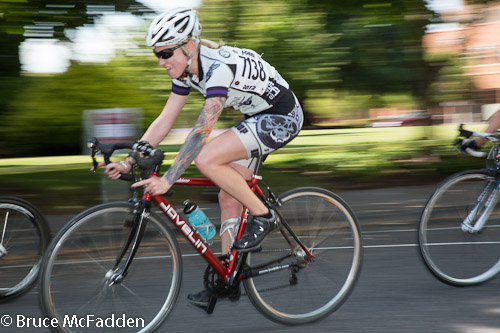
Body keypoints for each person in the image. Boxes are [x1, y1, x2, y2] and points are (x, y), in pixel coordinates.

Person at [104, 7, 304, 308]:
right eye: (156, 55)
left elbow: (201, 132)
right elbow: (164, 120)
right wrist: (129, 161)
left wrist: (169, 179)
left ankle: (264, 217)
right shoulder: (186, 71)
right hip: (255, 116)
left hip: (282, 115)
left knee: (207, 159)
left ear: (188, 46)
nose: (161, 62)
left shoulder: (217, 68)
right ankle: (228, 274)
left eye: (166, 53)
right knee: (228, 195)